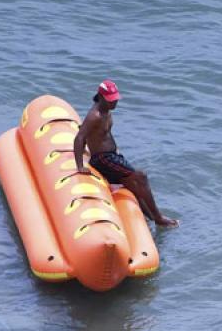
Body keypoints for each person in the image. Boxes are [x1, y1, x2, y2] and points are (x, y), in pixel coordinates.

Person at [73, 79, 180, 228]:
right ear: (102, 97)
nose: (114, 103)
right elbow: (80, 137)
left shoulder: (106, 112)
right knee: (141, 177)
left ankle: (150, 218)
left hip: (111, 157)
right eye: (111, 100)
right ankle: (159, 218)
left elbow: (100, 134)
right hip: (103, 159)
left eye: (115, 99)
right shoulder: (95, 115)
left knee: (133, 184)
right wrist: (79, 166)